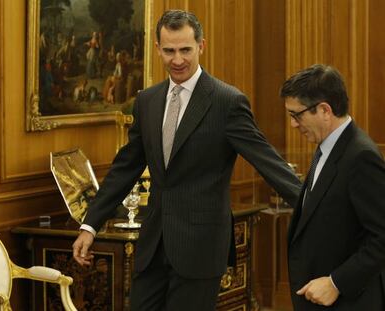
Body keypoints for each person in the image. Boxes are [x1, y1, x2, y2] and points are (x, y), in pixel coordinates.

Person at [73, 10, 302, 311]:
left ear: (201, 46)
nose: (177, 60)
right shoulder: (148, 101)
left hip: (200, 250)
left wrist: (314, 208)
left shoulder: (227, 102)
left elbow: (268, 162)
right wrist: (90, 225)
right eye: (169, 51)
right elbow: (125, 167)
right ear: (157, 49)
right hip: (152, 247)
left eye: (185, 50)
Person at [280, 64, 385, 310]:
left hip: (349, 301)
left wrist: (336, 283)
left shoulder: (361, 157)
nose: (294, 124)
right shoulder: (327, 147)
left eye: (297, 115)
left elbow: (382, 236)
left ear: (324, 110)